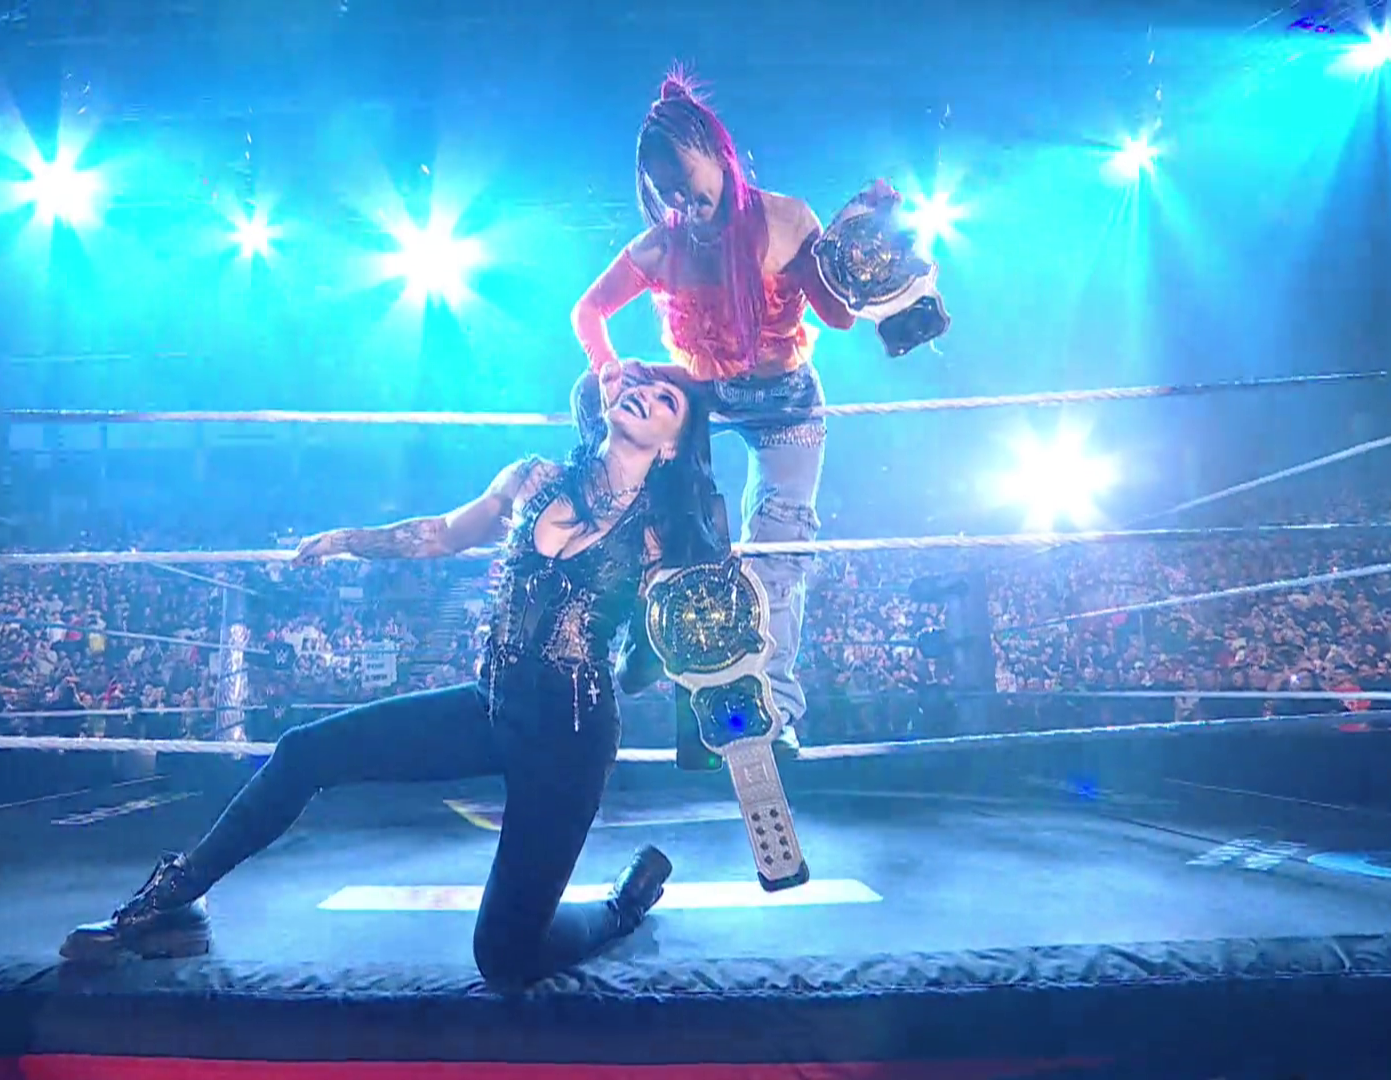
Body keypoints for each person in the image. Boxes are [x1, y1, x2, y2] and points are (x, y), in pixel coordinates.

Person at [61, 371, 726, 992]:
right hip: (493, 707)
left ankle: (623, 904)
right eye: (644, 383)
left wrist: (671, 621)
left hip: (570, 740)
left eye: (666, 400)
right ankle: (177, 897)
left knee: (506, 957)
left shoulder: (658, 537)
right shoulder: (533, 479)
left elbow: (637, 672)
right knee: (303, 752)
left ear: (672, 447)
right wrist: (348, 539)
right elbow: (440, 535)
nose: (645, 393)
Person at [570, 72, 889, 753]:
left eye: (692, 187)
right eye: (670, 195)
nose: (686, 206)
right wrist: (608, 367)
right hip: (703, 390)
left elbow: (838, 319)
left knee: (779, 556)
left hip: (784, 403)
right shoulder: (662, 246)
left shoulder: (785, 221)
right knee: (604, 413)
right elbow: (588, 310)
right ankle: (649, 625)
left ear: (720, 155)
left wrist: (852, 252)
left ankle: (776, 712)